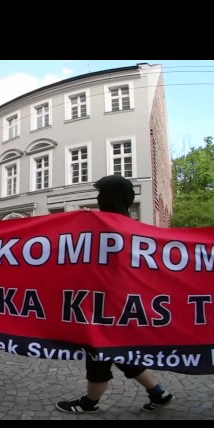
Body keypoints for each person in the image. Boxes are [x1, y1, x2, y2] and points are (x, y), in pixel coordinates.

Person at [56, 174, 174, 414]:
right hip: (123, 306)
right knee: (122, 352)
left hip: (104, 307)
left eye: (100, 194)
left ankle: (89, 403)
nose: (97, 198)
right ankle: (158, 393)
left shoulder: (96, 227)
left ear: (108, 197)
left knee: (98, 354)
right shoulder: (136, 230)